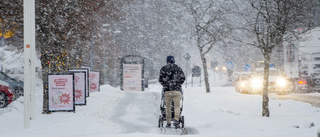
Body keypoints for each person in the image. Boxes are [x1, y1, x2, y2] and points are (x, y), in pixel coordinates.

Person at [159, 55, 185, 128]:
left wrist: (165, 85)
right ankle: (176, 119)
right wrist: (178, 84)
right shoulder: (178, 69)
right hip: (177, 90)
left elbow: (160, 79)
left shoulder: (164, 69)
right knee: (177, 106)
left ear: (167, 61)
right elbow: (183, 78)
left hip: (168, 91)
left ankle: (168, 122)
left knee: (168, 106)